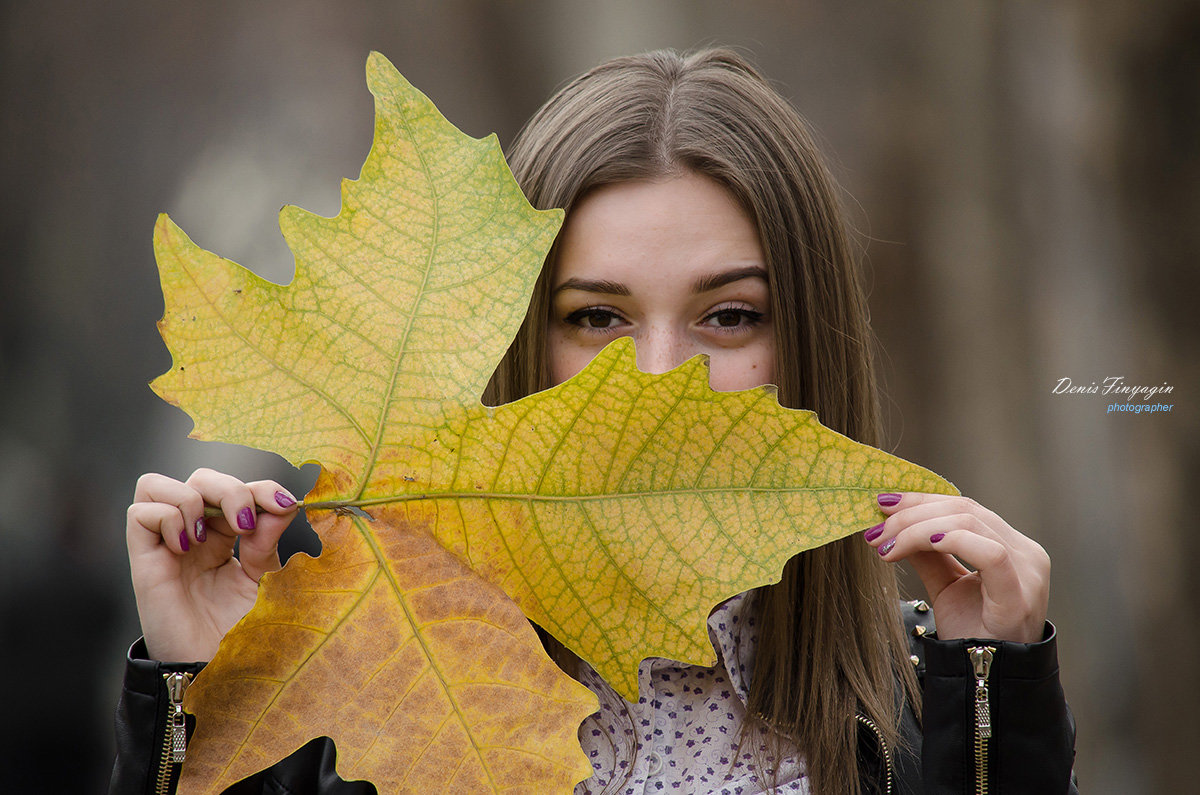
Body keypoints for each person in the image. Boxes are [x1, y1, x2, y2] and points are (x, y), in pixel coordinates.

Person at [111, 48, 1076, 794]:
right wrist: (210, 685)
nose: (656, 375)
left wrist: (992, 698)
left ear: (809, 343)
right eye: (596, 316)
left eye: (729, 314)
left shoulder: (931, 706)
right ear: (517, 342)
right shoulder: (361, 687)